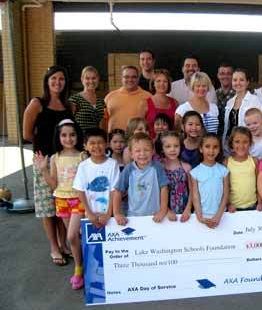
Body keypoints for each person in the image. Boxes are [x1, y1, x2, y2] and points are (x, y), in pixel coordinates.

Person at [23, 65, 74, 267]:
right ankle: (54, 247)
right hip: (44, 160)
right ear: (47, 81)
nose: (57, 82)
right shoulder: (37, 103)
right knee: (47, 207)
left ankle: (63, 244)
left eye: (61, 79)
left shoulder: (68, 105)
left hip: (63, 162)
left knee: (62, 204)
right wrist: (42, 154)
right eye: (54, 78)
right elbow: (27, 134)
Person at [34, 119, 85, 289]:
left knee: (72, 235)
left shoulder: (82, 156)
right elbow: (54, 184)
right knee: (75, 238)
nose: (68, 138)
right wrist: (44, 170)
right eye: (64, 135)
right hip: (61, 201)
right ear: (58, 137)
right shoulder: (55, 157)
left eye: (72, 135)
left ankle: (82, 267)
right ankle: (80, 269)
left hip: (78, 200)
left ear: (78, 136)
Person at [72, 128, 120, 289]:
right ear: (85, 145)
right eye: (92, 143)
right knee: (91, 246)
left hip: (108, 213)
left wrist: (109, 213)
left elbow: (114, 190)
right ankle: (83, 273)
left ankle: (112, 276)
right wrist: (89, 213)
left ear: (106, 144)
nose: (96, 146)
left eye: (100, 142)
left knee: (109, 246)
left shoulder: (112, 164)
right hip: (90, 213)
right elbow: (80, 191)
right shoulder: (83, 166)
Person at [113, 133, 169, 224]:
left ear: (152, 152)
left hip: (155, 215)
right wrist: (117, 213)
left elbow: (164, 188)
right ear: (131, 154)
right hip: (133, 216)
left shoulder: (157, 167)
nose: (142, 154)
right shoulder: (128, 169)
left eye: (146, 150)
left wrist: (163, 211)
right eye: (138, 151)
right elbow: (118, 191)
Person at [191, 133, 229, 229]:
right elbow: (195, 196)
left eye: (215, 147)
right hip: (202, 217)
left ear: (219, 149)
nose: (211, 151)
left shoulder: (223, 170)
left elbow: (226, 194)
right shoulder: (195, 172)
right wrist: (200, 217)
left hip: (222, 216)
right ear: (201, 149)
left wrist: (218, 215)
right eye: (207, 146)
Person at [222, 69, 262, 151]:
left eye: (241, 80)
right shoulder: (230, 102)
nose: (238, 83)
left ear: (247, 82)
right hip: (229, 147)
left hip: (247, 147)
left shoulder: (254, 100)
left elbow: (260, 125)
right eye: (235, 80)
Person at [224, 127, 262, 212]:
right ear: (231, 144)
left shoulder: (254, 161)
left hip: (253, 206)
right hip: (233, 208)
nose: (241, 146)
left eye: (245, 142)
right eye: (237, 142)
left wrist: (260, 202)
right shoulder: (227, 162)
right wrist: (228, 204)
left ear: (250, 143)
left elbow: (259, 184)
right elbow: (225, 186)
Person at [158, 131, 193, 222]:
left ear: (180, 147)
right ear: (162, 148)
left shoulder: (186, 167)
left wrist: (188, 209)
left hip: (184, 213)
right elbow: (156, 192)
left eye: (176, 146)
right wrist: (167, 210)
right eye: (168, 146)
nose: (172, 149)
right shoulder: (159, 168)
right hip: (165, 214)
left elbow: (192, 190)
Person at [104, 65, 151, 132]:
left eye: (133, 77)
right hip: (115, 141)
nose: (130, 80)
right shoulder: (110, 97)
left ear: (138, 79)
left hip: (138, 140)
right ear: (121, 78)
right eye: (126, 77)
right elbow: (103, 122)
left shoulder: (148, 97)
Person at [142, 69, 178, 140]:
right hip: (150, 145)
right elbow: (139, 128)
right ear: (153, 84)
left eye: (165, 81)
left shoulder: (175, 103)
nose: (162, 84)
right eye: (158, 81)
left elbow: (177, 128)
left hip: (169, 145)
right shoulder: (144, 103)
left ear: (168, 84)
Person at [69, 66, 105, 133]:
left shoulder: (101, 101)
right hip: (81, 140)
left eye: (94, 78)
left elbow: (102, 124)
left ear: (98, 79)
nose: (91, 81)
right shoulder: (75, 99)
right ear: (82, 79)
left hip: (96, 140)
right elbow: (69, 122)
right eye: (87, 78)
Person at [215, 63, 236, 137]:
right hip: (216, 136)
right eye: (222, 73)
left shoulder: (238, 95)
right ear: (218, 75)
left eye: (229, 73)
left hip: (234, 137)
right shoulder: (214, 94)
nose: (225, 76)